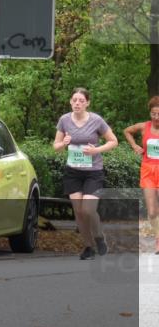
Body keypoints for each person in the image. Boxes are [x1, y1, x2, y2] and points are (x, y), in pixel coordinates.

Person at [52, 87, 119, 259]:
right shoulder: (64, 120)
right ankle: (88, 247)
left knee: (88, 210)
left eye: (81, 100)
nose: (77, 103)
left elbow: (113, 141)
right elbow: (56, 147)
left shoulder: (96, 120)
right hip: (73, 172)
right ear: (70, 101)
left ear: (87, 103)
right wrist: (64, 143)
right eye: (74, 100)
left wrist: (97, 150)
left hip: (93, 172)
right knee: (79, 212)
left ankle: (99, 237)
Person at [123, 96, 159, 254]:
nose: (156, 117)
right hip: (148, 170)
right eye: (153, 114)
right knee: (152, 211)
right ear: (150, 113)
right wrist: (134, 146)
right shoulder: (144, 127)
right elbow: (127, 131)